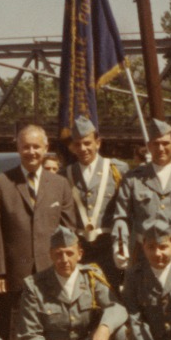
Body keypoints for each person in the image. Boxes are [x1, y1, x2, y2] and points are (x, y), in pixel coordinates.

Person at [0, 124, 77, 340]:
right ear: (18, 148)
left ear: (45, 148)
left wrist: (69, 267)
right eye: (26, 146)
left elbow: (69, 230)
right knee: (16, 330)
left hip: (51, 270)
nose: (31, 152)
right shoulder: (1, 183)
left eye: (37, 147)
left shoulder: (59, 185)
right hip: (17, 270)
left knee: (50, 326)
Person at [112, 118, 171, 270]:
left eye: (165, 143)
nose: (160, 148)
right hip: (144, 256)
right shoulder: (133, 178)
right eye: (155, 143)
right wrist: (119, 245)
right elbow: (121, 217)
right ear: (148, 146)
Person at [63, 115, 129, 288]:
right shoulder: (65, 174)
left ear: (97, 143)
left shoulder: (117, 169)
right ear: (72, 147)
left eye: (87, 143)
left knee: (110, 294)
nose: (83, 148)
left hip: (108, 247)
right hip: (79, 249)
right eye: (77, 144)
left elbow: (125, 211)